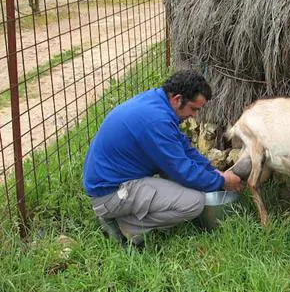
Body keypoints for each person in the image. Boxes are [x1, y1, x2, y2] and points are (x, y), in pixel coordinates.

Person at [83, 70, 243, 247]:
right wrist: (221, 181)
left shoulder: (157, 102)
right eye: (193, 109)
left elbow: (183, 149)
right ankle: (126, 225)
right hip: (110, 193)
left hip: (114, 181)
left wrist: (212, 171)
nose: (195, 115)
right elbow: (183, 171)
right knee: (194, 203)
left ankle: (123, 214)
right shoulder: (156, 121)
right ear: (177, 99)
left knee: (188, 182)